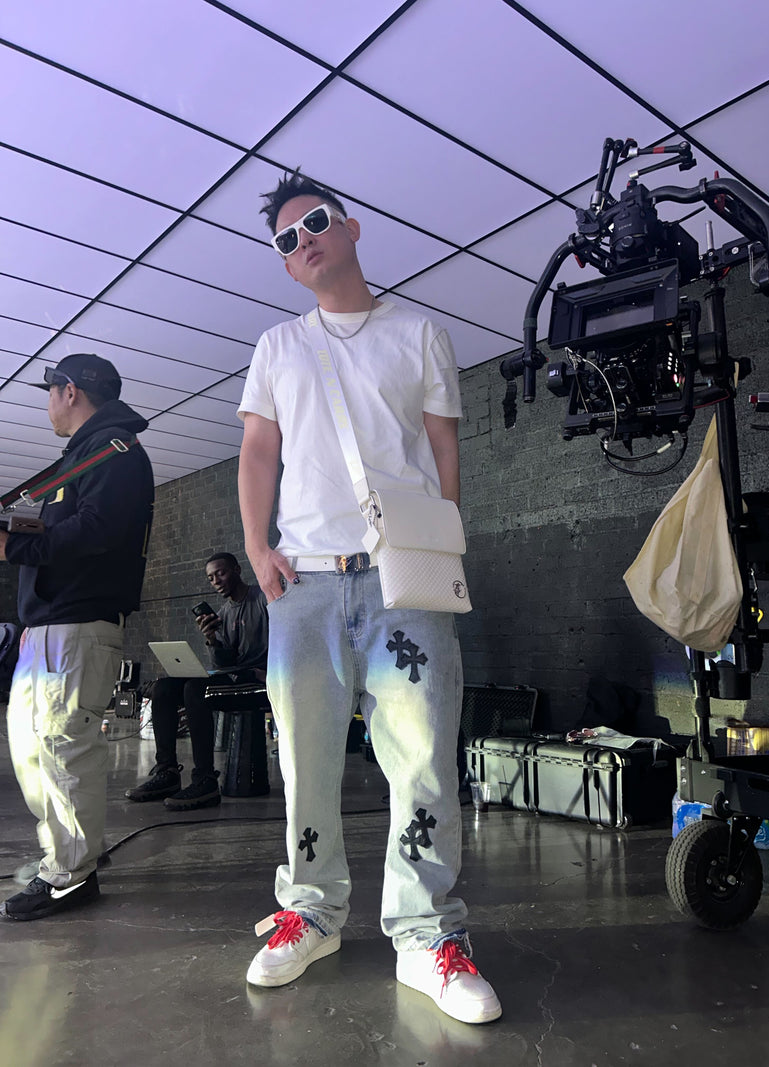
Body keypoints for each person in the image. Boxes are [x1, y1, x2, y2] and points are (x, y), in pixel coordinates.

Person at [236, 171, 501, 1025]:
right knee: (305, 758)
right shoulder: (278, 346)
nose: (303, 240)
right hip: (304, 583)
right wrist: (256, 546)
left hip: (402, 577)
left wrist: (442, 543)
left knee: (422, 756)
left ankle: (426, 932)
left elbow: (444, 450)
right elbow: (258, 452)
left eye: (314, 222)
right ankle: (310, 911)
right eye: (286, 239)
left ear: (351, 227)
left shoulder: (420, 334)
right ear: (287, 265)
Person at [0, 353, 154, 922]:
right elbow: (70, 528)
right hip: (48, 628)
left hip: (77, 625)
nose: (47, 404)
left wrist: (14, 547)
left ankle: (71, 873)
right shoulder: (86, 454)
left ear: (70, 391)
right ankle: (64, 854)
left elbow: (96, 531)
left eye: (50, 392)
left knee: (65, 749)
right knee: (33, 749)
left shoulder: (117, 452)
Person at [126, 552, 269, 810]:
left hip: (262, 679)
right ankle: (167, 772)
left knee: (195, 689)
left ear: (237, 570)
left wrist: (273, 671)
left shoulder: (262, 599)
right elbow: (225, 663)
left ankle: (205, 779)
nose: (216, 581)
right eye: (211, 578)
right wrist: (212, 639)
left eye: (221, 573)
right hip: (236, 677)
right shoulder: (223, 613)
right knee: (164, 688)